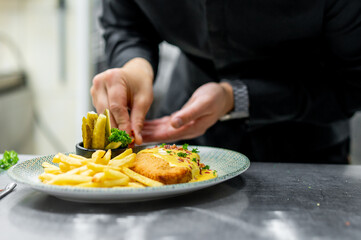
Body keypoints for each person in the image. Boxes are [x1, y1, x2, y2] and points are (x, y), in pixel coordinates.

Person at [90, 0, 361, 164]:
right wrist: (135, 66)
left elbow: (352, 84)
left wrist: (236, 97)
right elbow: (126, 22)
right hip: (183, 134)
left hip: (305, 145)